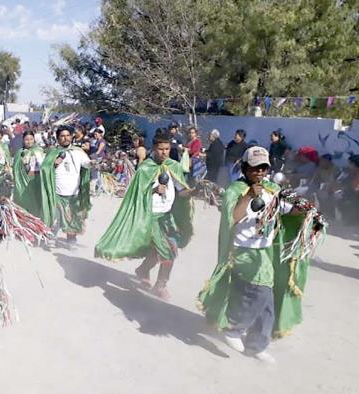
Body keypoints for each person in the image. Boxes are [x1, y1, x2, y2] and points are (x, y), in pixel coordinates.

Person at [198, 147, 313, 363]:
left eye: (263, 167)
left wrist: (307, 211)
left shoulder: (272, 189)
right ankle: (234, 328)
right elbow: (233, 217)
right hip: (242, 251)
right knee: (260, 291)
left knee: (267, 302)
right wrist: (249, 196)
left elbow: (286, 210)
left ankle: (257, 344)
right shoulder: (236, 189)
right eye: (254, 167)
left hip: (263, 252)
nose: (259, 172)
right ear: (245, 168)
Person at [94, 132, 193, 300]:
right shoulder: (145, 168)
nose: (164, 152)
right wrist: (153, 190)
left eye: (167, 149)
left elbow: (181, 191)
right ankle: (161, 285)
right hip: (150, 216)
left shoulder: (174, 166)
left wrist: (194, 191)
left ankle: (143, 270)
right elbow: (136, 195)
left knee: (159, 251)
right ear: (154, 148)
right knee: (168, 251)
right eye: (161, 149)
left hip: (167, 217)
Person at [38, 125, 93, 246]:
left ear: (72, 137)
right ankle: (51, 238)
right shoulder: (53, 152)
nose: (65, 138)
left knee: (73, 218)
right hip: (57, 192)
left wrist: (91, 163)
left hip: (74, 193)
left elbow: (86, 163)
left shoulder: (78, 152)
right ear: (57, 138)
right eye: (62, 136)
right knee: (55, 217)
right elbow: (44, 168)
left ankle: (71, 241)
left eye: (68, 135)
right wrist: (54, 164)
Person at [12, 130, 46, 218]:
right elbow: (15, 168)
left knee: (36, 203)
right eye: (26, 139)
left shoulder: (38, 151)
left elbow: (43, 165)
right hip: (22, 182)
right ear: (23, 140)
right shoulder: (19, 152)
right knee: (24, 203)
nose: (29, 141)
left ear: (34, 139)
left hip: (35, 181)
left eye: (31, 139)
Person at [315, 154, 339, 220]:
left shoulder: (335, 168)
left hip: (334, 188)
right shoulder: (320, 168)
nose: (321, 163)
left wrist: (330, 186)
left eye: (323, 161)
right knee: (319, 194)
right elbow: (315, 179)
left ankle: (331, 216)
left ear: (328, 161)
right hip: (323, 187)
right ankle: (323, 215)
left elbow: (336, 181)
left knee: (329, 195)